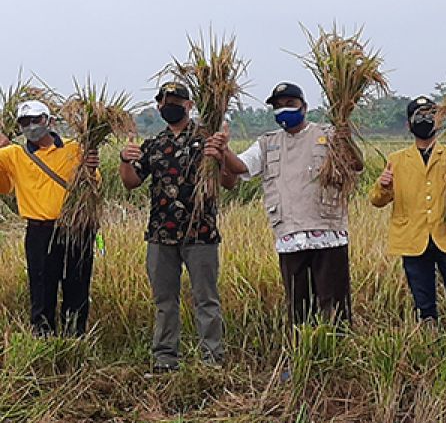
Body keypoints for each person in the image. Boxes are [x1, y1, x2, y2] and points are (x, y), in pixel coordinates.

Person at [218, 82, 362, 328]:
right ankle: (303, 356)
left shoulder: (329, 134)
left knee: (334, 305)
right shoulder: (267, 143)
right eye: (279, 107)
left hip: (328, 231)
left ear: (304, 107)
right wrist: (222, 147)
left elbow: (356, 164)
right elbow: (241, 166)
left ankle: (335, 356)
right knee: (299, 305)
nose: (284, 111)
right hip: (290, 236)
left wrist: (346, 135)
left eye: (290, 104)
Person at [118, 82, 228, 373]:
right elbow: (131, 182)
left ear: (189, 105)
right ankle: (165, 359)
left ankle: (211, 360)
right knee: (164, 301)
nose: (169, 105)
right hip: (161, 233)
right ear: (158, 106)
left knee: (206, 300)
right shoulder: (154, 144)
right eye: (164, 101)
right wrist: (124, 160)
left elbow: (229, 181)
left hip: (201, 232)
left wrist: (221, 154)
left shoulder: (207, 138)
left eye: (176, 100)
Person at [369, 96, 446, 342]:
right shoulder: (397, 160)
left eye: (430, 114)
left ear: (439, 121)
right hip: (412, 239)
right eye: (418, 115)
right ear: (409, 125)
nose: (425, 120)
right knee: (423, 301)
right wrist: (383, 184)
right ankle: (430, 345)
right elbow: (376, 200)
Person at [0, 100, 100, 335]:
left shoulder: (75, 148)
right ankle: (43, 340)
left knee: (77, 286)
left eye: (37, 120)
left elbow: (94, 186)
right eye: (25, 122)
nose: (32, 126)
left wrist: (91, 169)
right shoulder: (13, 154)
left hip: (77, 227)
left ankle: (75, 339)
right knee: (42, 287)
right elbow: (4, 187)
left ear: (50, 120)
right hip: (40, 230)